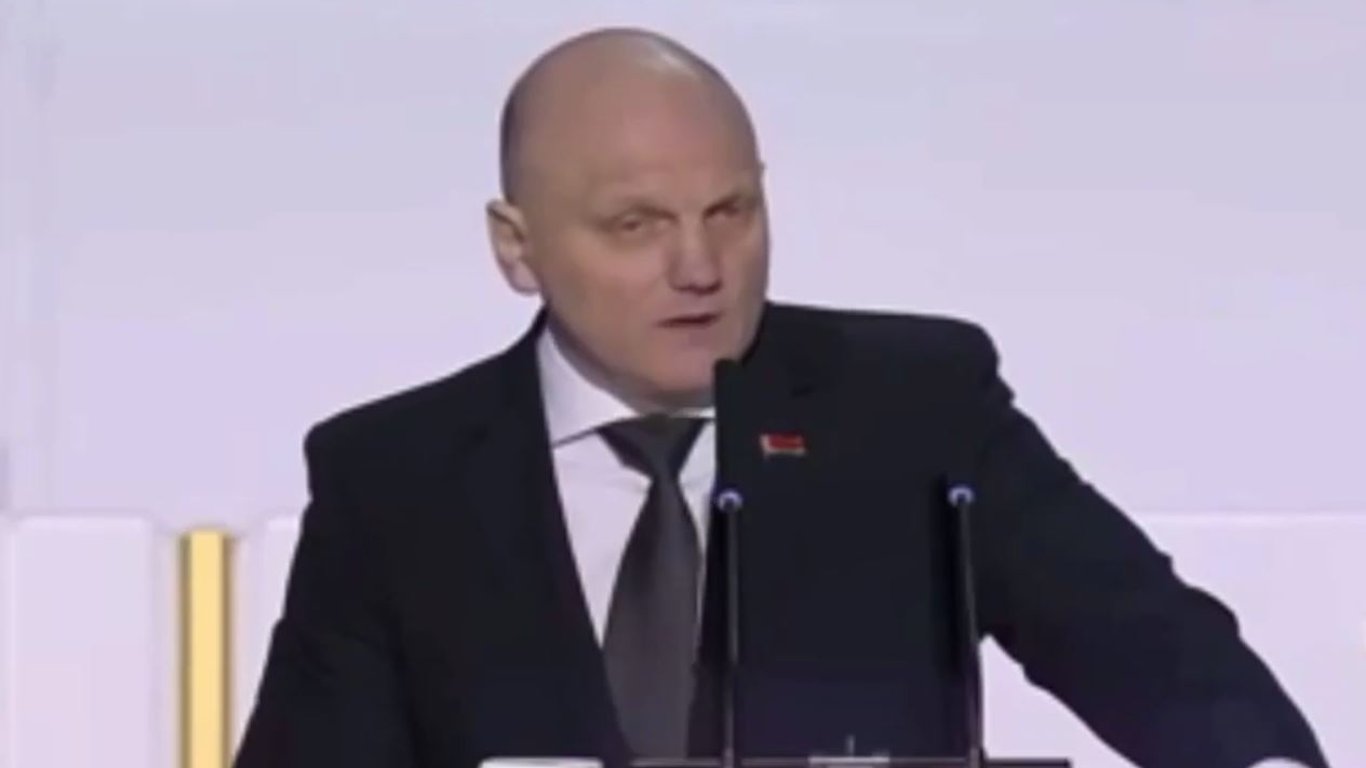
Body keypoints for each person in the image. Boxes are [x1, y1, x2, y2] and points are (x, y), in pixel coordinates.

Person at [234, 27, 1328, 768]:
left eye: (731, 211)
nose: (699, 267)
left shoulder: (914, 409)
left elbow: (1158, 654)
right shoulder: (397, 481)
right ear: (516, 248)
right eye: (636, 226)